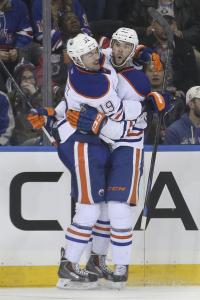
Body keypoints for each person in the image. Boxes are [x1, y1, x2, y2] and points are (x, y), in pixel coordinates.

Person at [27, 31, 168, 288]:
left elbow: (102, 61)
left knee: (109, 207)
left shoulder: (100, 62)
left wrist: (143, 52)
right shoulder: (97, 82)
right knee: (93, 208)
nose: (115, 51)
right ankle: (78, 262)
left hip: (111, 143)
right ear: (79, 60)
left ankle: (106, 263)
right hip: (93, 141)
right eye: (116, 45)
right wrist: (148, 105)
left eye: (126, 46)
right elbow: (115, 122)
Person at [0, 0, 33, 91]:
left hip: (13, 52)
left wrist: (18, 49)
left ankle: (27, 94)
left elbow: (26, 31)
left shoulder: (19, 5)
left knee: (35, 50)